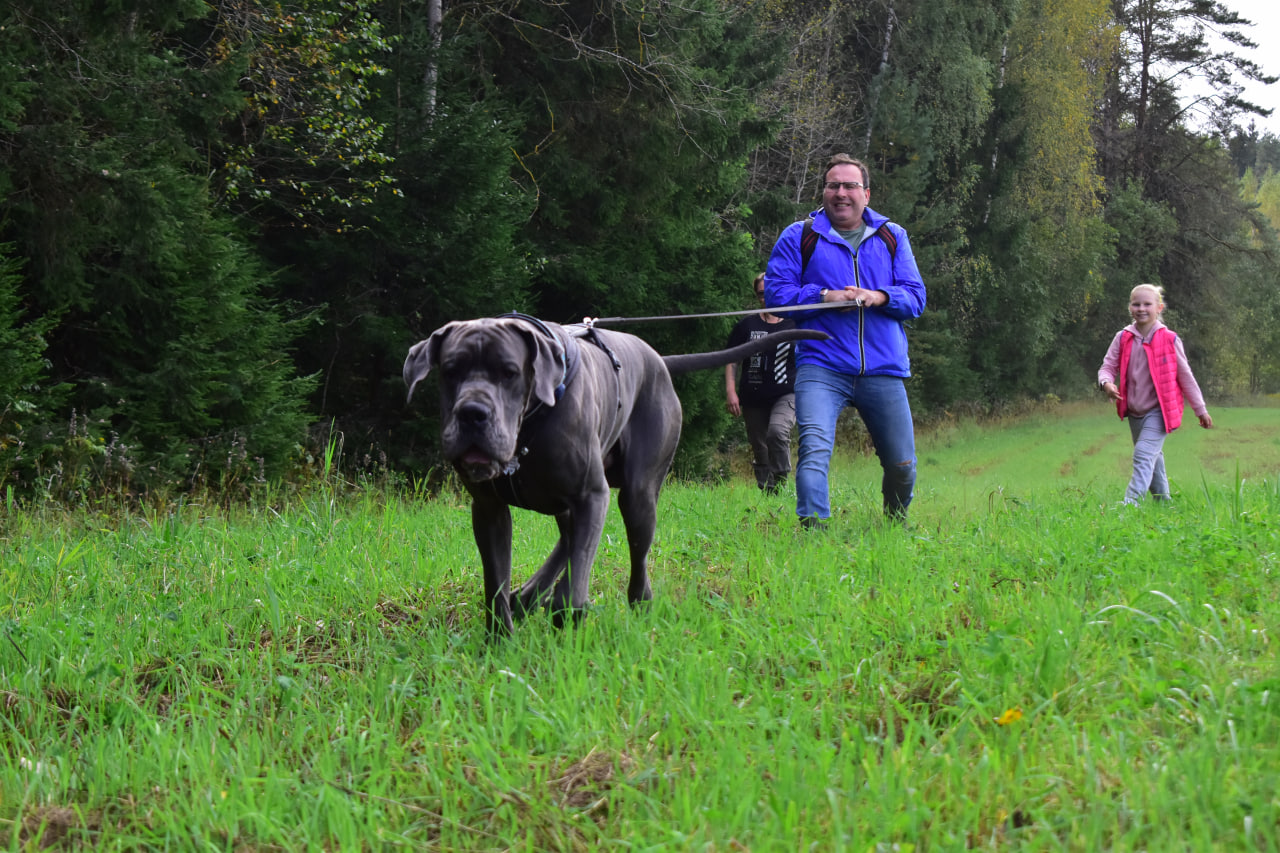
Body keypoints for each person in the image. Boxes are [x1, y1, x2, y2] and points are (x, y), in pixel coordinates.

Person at [763, 154, 927, 529]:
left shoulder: (891, 236)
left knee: (902, 465)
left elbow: (916, 297)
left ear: (866, 194)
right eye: (833, 185)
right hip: (821, 364)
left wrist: (879, 297)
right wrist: (824, 296)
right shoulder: (799, 236)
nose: (841, 193)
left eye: (850, 186)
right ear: (824, 192)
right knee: (814, 451)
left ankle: (894, 523)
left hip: (883, 368)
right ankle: (813, 531)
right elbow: (776, 295)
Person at [1097, 283, 1213, 505]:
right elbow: (1107, 366)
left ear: (1159, 308)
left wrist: (1200, 409)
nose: (1141, 308)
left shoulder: (1169, 339)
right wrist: (1106, 384)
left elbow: (1185, 376)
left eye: (1147, 304)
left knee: (1142, 455)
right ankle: (1163, 503)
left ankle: (1131, 503)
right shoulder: (1122, 337)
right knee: (1153, 457)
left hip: (1160, 411)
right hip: (1134, 410)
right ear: (1130, 307)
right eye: (1136, 304)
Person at [725, 273, 798, 494]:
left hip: (787, 392)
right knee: (759, 445)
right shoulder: (747, 324)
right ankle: (768, 492)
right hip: (753, 394)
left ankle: (782, 480)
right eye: (761, 294)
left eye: (770, 292)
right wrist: (731, 392)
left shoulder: (795, 322)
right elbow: (731, 359)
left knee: (776, 432)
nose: (766, 298)